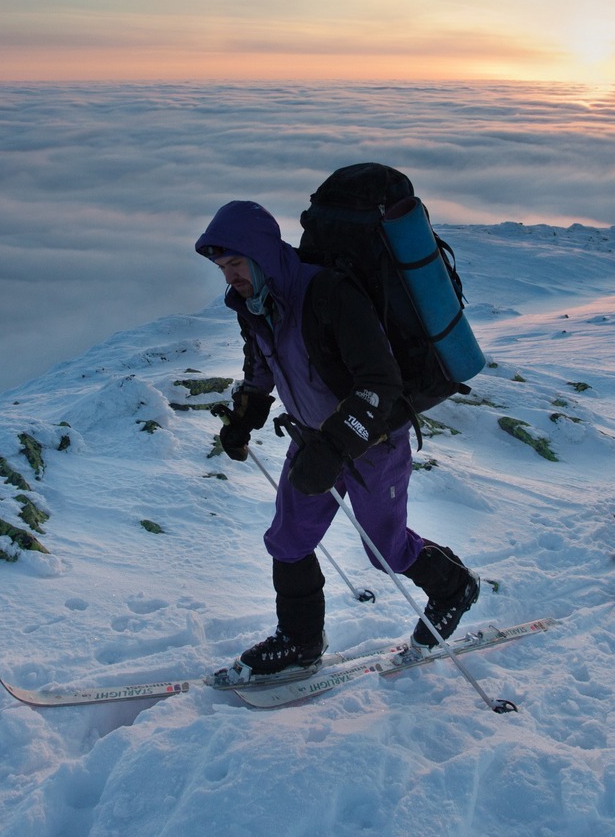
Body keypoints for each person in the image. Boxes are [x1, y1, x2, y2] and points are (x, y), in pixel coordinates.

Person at [195, 199, 480, 681]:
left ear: (262, 254)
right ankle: (301, 641)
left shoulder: (328, 294)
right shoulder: (255, 305)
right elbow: (260, 367)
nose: (231, 277)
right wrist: (244, 418)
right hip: (312, 440)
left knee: (385, 549)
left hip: (373, 442)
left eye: (237, 264)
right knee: (287, 540)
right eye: (223, 268)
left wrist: (335, 447)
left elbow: (380, 383)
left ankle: (454, 588)